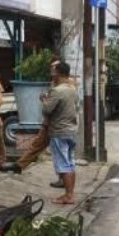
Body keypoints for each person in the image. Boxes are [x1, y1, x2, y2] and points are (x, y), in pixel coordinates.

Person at [1, 59, 65, 189]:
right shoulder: (54, 83)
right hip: (48, 122)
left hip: (58, 124)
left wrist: (46, 101)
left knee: (60, 153)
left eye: (54, 67)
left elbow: (57, 105)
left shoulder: (65, 85)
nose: (52, 69)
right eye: (51, 67)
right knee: (36, 145)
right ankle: (19, 165)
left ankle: (63, 178)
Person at [41, 62, 79, 205]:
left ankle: (69, 196)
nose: (51, 73)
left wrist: (44, 100)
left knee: (63, 165)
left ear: (58, 73)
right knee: (70, 163)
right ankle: (70, 194)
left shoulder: (58, 91)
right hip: (71, 131)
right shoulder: (72, 89)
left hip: (60, 131)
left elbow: (46, 110)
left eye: (53, 70)